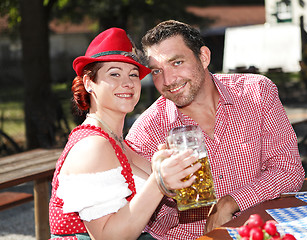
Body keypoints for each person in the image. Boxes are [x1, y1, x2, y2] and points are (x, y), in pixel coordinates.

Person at [126, 20, 305, 239]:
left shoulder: (257, 93)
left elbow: (289, 170)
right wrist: (166, 189)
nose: (168, 80)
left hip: (260, 231)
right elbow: (147, 225)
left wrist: (231, 202)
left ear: (204, 57)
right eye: (156, 71)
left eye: (177, 62)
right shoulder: (148, 130)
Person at [48, 27, 201, 240]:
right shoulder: (92, 146)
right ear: (89, 82)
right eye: (114, 74)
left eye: (133, 74)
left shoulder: (117, 141)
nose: (128, 83)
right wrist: (159, 182)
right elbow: (107, 237)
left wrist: (170, 172)